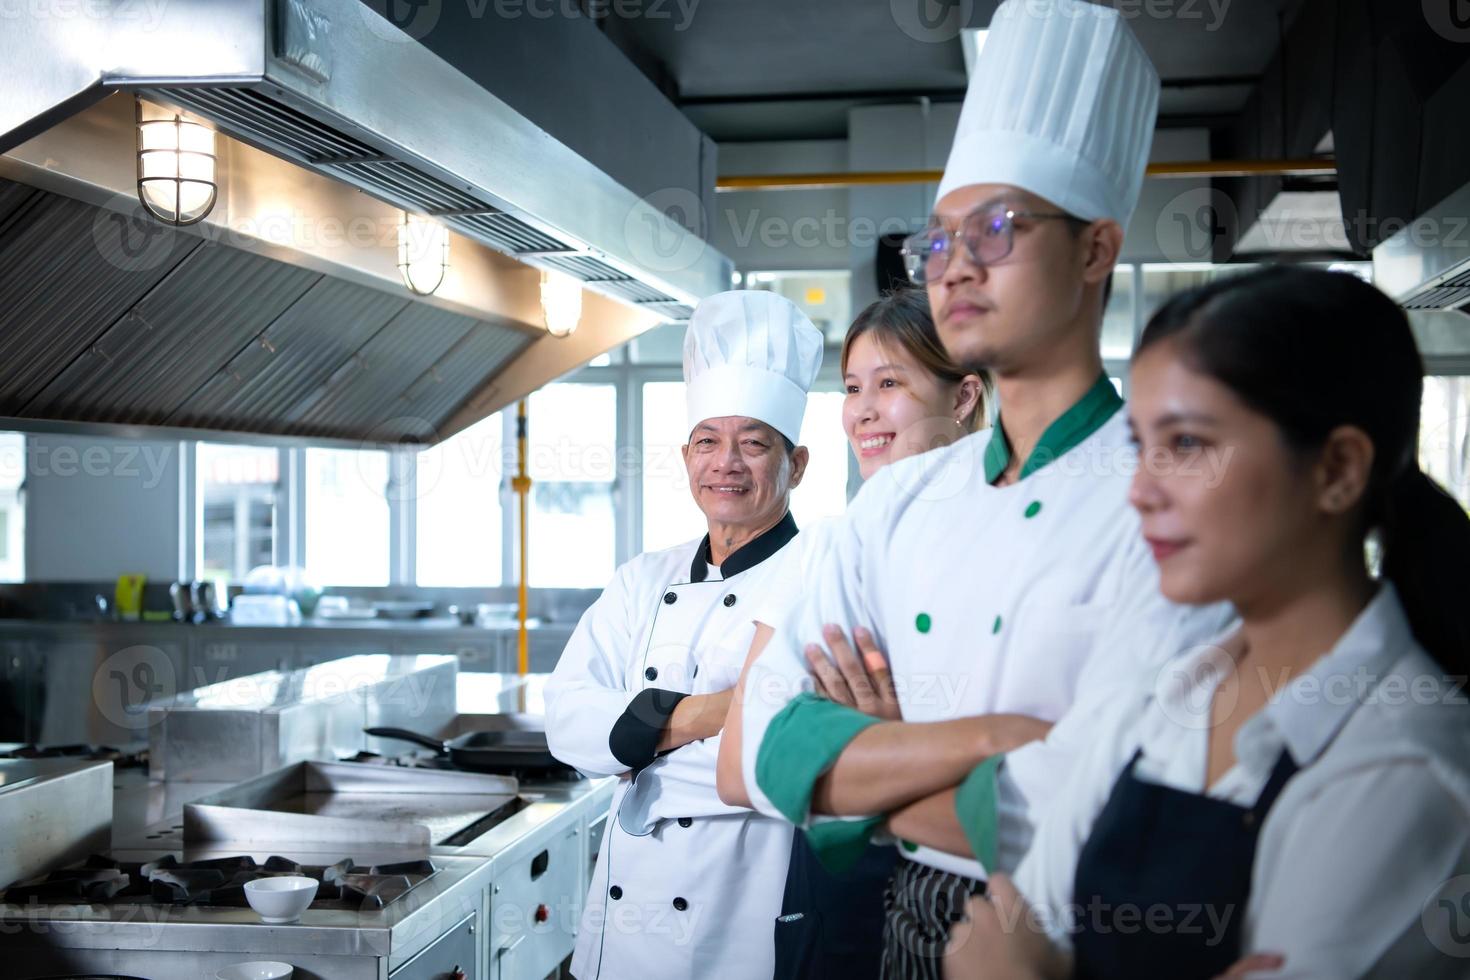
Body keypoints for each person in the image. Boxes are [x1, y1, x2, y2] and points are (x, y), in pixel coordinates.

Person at [726, 2, 1234, 976]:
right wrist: (999, 738)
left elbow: (1115, 808)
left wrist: (866, 765)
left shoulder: (1173, 498)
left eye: (998, 227)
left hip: (1086, 938)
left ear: (1095, 249)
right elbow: (761, 747)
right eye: (941, 240)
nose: (956, 264)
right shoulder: (899, 501)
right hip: (910, 924)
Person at [946, 266, 1470, 980]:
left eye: (1187, 444)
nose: (1140, 491)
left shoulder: (1405, 768)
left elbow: (1003, 952)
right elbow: (1019, 913)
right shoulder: (1170, 691)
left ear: (1338, 469)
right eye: (1139, 444)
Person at [544, 289, 823, 980]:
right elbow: (567, 723)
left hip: (732, 920)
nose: (726, 462)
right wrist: (715, 712)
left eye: (754, 443)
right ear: (686, 455)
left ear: (798, 464)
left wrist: (638, 745)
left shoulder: (819, 573)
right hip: (617, 937)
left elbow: (768, 765)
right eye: (708, 441)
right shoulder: (644, 577)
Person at [739, 288, 987, 979]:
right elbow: (751, 755)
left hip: (988, 903)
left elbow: (1038, 762)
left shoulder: (1014, 527)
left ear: (964, 396)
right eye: (853, 387)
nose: (864, 410)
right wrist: (929, 739)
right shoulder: (835, 543)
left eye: (890, 382)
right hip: (846, 886)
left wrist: (872, 741)